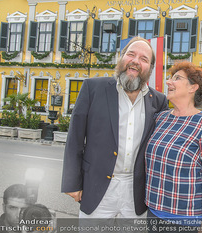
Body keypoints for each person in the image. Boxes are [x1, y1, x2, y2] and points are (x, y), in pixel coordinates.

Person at [61, 37, 168, 218]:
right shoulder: (92, 88)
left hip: (137, 192)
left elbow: (168, 137)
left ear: (150, 68)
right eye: (131, 54)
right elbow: (75, 139)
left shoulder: (158, 100)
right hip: (96, 186)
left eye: (144, 59)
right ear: (121, 57)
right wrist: (72, 183)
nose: (135, 61)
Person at [145, 61, 202, 233]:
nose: (168, 82)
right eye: (170, 78)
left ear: (192, 87)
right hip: (153, 213)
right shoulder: (161, 118)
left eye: (177, 78)